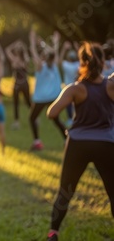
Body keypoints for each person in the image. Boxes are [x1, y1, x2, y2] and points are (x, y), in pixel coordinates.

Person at [45, 42, 114, 241]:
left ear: (81, 63)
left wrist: (66, 130)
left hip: (78, 144)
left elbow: (52, 112)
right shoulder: (110, 86)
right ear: (102, 62)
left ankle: (53, 233)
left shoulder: (75, 89)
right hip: (106, 145)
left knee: (65, 191)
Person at [28, 30, 67, 151]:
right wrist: (56, 42)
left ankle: (37, 142)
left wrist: (32, 41)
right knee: (56, 120)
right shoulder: (54, 65)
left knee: (32, 118)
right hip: (53, 97)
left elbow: (34, 53)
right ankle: (68, 139)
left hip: (41, 98)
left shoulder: (40, 66)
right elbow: (53, 53)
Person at [5, 39, 31, 129]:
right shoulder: (15, 59)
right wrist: (16, 43)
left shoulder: (23, 60)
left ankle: (34, 117)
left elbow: (7, 50)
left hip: (23, 83)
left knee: (28, 101)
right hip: (17, 84)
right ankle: (16, 122)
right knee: (16, 103)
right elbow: (7, 50)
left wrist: (21, 45)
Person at [59, 41, 80, 127]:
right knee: (77, 103)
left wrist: (64, 49)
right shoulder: (77, 65)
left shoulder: (66, 65)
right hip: (76, 86)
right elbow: (82, 59)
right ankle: (77, 118)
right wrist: (77, 48)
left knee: (68, 105)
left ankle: (70, 119)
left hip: (67, 87)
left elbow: (59, 60)